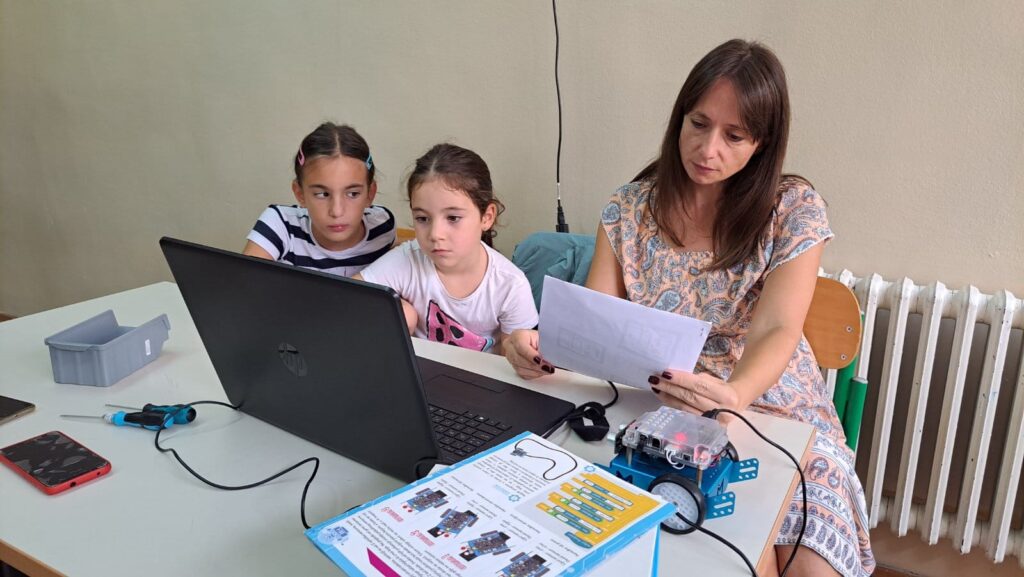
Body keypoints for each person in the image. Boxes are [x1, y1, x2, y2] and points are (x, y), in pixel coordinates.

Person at [505, 39, 873, 577]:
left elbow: (777, 327)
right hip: (656, 405)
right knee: (721, 556)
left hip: (769, 406)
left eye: (734, 136)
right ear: (679, 117)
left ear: (762, 143)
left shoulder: (792, 209)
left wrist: (733, 396)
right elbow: (598, 321)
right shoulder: (629, 207)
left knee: (812, 566)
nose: (708, 148)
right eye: (698, 124)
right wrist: (538, 344)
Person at [357, 143, 537, 354]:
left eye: (453, 218)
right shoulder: (408, 259)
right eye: (422, 218)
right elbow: (343, 299)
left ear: (487, 217)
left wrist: (522, 353)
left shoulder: (510, 284)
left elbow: (513, 360)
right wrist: (399, 312)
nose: (435, 234)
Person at [243, 122, 395, 277]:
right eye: (322, 194)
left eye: (353, 194)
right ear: (300, 193)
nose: (337, 211)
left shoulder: (382, 226)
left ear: (370, 193)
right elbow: (245, 283)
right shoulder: (280, 225)